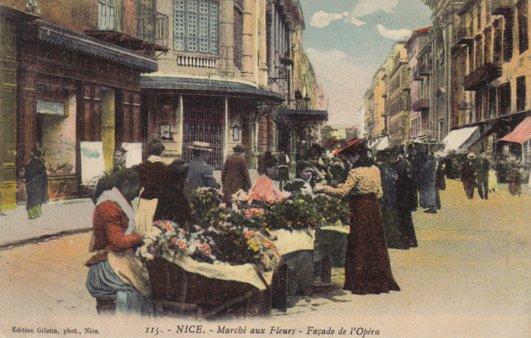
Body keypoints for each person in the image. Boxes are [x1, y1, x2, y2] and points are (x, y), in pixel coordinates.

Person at [315, 140, 400, 295]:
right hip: (374, 208)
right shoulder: (375, 169)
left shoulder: (355, 172)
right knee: (375, 242)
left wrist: (323, 188)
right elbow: (380, 192)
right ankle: (378, 280)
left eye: (349, 158)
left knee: (359, 242)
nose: (348, 161)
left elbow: (343, 192)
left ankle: (360, 282)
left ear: (355, 157)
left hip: (360, 208)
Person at [86, 168, 153, 315]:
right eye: (137, 188)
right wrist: (140, 237)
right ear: (126, 184)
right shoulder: (108, 206)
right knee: (135, 291)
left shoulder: (120, 202)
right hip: (107, 268)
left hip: (118, 260)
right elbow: (118, 241)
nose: (137, 194)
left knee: (148, 286)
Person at [376, 151, 408, 249]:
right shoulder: (381, 168)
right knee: (388, 219)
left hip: (390, 196)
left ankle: (390, 240)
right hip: (386, 196)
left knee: (390, 218)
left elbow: (395, 177)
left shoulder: (386, 168)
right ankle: (389, 240)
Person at [391, 151, 419, 248]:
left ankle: (406, 240)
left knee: (404, 219)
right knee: (406, 220)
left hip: (402, 196)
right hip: (405, 196)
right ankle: (410, 240)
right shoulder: (405, 164)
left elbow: (408, 182)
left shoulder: (399, 166)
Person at [24, 147, 49, 219]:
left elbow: (26, 175)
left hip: (31, 184)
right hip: (39, 184)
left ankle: (32, 214)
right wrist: (45, 186)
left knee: (31, 199)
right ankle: (37, 214)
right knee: (38, 199)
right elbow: (45, 177)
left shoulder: (28, 166)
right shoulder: (42, 166)